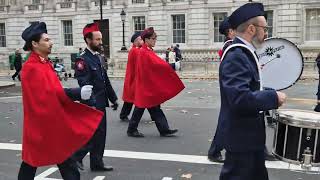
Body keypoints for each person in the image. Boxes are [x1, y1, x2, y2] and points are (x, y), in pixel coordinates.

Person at [17, 22, 103, 180]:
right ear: (35, 44)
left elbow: (53, 91)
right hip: (42, 124)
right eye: (47, 39)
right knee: (33, 162)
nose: (51, 42)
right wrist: (77, 93)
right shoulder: (31, 68)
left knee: (59, 160)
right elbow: (49, 94)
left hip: (49, 123)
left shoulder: (44, 63)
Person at [218, 3, 287, 180]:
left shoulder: (246, 53)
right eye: (264, 28)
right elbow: (240, 99)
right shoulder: (236, 56)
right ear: (251, 29)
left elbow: (251, 88)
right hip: (241, 140)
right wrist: (272, 97)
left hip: (249, 138)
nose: (266, 33)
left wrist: (270, 92)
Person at [72, 22, 118, 172]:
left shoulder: (99, 58)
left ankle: (97, 162)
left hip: (101, 102)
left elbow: (105, 80)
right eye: (97, 39)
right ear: (88, 40)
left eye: (100, 39)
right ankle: (76, 157)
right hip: (91, 104)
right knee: (94, 133)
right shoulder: (82, 60)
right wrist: (91, 104)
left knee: (100, 134)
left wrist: (113, 98)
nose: (100, 42)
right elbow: (84, 84)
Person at [127, 27, 185, 137]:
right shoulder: (144, 52)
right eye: (153, 38)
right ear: (147, 39)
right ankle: (132, 130)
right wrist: (173, 66)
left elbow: (156, 61)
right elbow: (157, 65)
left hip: (147, 85)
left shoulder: (147, 50)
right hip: (145, 86)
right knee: (141, 108)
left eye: (155, 38)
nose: (155, 40)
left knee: (153, 108)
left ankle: (164, 130)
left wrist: (163, 57)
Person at [207, 17, 235, 163]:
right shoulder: (230, 46)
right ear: (230, 32)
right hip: (232, 88)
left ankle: (261, 150)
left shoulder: (231, 45)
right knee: (227, 120)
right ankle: (214, 151)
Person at [120, 32, 144, 122]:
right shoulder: (135, 50)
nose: (142, 41)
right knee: (130, 99)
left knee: (130, 98)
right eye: (140, 39)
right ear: (136, 41)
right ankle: (123, 114)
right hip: (133, 77)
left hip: (133, 77)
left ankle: (123, 114)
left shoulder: (135, 50)